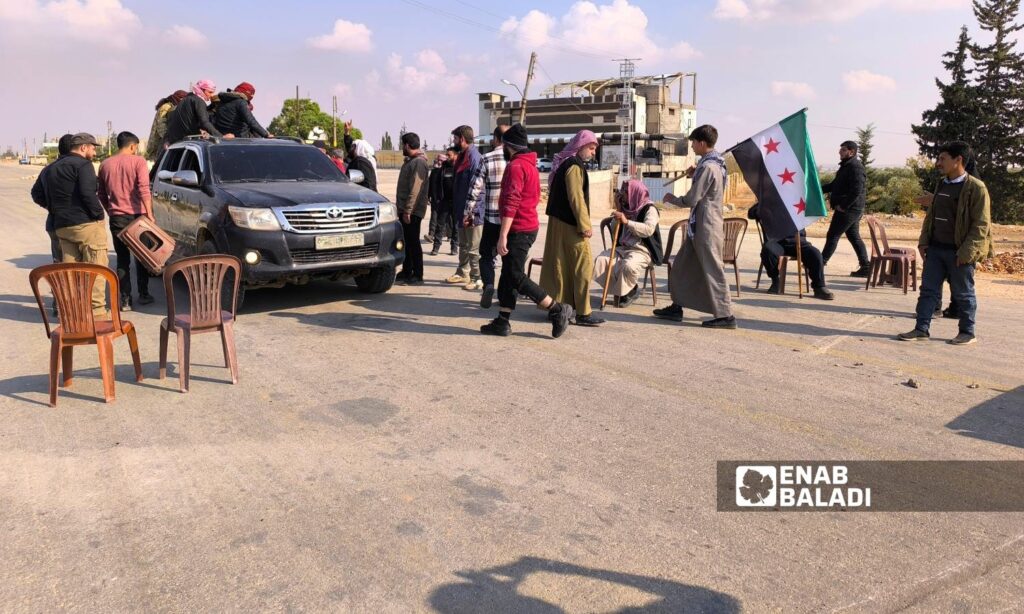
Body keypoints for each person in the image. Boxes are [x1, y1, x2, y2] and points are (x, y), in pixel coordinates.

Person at [480, 124, 575, 338]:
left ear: (509, 145)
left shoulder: (515, 167)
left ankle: (557, 309)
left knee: (515, 274)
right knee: (507, 274)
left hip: (519, 228)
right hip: (526, 226)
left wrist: (503, 234)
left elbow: (511, 202)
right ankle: (502, 321)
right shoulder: (529, 165)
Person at [898, 141, 992, 345]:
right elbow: (931, 216)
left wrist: (966, 252)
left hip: (959, 253)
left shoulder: (976, 188)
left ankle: (967, 332)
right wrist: (924, 242)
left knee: (963, 293)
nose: (938, 163)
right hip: (936, 249)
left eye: (943, 159)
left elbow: (981, 225)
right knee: (928, 291)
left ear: (958, 160)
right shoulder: (942, 184)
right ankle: (921, 328)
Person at [654, 125, 736, 328]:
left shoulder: (708, 167)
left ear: (701, 143)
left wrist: (672, 199)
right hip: (699, 226)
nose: (691, 146)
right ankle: (677, 306)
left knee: (713, 270)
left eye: (693, 142)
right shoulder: (714, 163)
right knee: (681, 267)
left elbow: (692, 199)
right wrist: (695, 173)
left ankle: (725, 315)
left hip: (706, 227)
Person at [540, 129, 604, 326]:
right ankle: (583, 313)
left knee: (559, 266)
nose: (593, 152)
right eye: (592, 148)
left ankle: (559, 307)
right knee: (583, 267)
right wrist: (585, 226)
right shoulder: (574, 166)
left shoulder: (565, 164)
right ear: (581, 146)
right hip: (570, 224)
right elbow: (576, 199)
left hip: (558, 223)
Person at [44, 133, 109, 318]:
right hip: (85, 225)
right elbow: (88, 194)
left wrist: (56, 208)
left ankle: (71, 314)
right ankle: (96, 315)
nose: (94, 151)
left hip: (62, 226)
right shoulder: (83, 165)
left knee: (69, 272)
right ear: (83, 148)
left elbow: (38, 193)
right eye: (92, 147)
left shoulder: (52, 168)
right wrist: (99, 215)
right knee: (96, 268)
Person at [98, 131, 154, 311]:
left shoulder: (105, 164)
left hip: (117, 218)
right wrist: (150, 214)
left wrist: (111, 210)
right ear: (132, 146)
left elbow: (101, 194)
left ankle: (125, 300)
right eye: (136, 148)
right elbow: (144, 189)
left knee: (122, 259)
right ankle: (144, 294)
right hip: (138, 216)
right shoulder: (139, 162)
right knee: (142, 257)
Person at [593, 179, 664, 307]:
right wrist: (618, 209)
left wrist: (627, 222)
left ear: (634, 192)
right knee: (601, 260)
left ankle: (629, 290)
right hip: (623, 247)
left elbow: (648, 229)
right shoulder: (626, 208)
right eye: (622, 191)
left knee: (628, 266)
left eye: (625, 191)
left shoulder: (650, 209)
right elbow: (615, 230)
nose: (622, 194)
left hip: (642, 249)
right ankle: (624, 291)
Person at [748, 204, 834, 300]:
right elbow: (751, 214)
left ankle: (819, 287)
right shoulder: (771, 203)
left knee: (815, 254)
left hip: (798, 241)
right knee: (768, 251)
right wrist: (766, 200)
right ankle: (776, 281)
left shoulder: (797, 201)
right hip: (777, 242)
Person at [30, 133, 73, 315]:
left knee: (59, 264)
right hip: (73, 224)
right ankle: (73, 306)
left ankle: (58, 304)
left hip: (54, 223)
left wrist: (49, 206)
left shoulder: (48, 169)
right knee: (75, 266)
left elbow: (35, 193)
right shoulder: (75, 167)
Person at [469, 125, 508, 305]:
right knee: (509, 258)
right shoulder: (516, 160)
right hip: (512, 219)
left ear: (495, 139)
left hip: (492, 217)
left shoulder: (487, 158)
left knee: (486, 255)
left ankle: (489, 285)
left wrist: (468, 211)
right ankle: (506, 294)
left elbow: (475, 188)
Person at [821, 141, 871, 277]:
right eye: (840, 149)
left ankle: (819, 264)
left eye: (843, 150)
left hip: (849, 209)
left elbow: (857, 190)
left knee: (833, 235)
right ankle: (866, 267)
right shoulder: (846, 166)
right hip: (851, 209)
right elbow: (834, 185)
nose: (840, 152)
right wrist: (816, 189)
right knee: (854, 236)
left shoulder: (855, 167)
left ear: (851, 152)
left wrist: (843, 206)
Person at [446, 125, 484, 289]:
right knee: (463, 244)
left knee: (474, 247)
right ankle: (463, 272)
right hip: (461, 210)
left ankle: (477, 278)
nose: (453, 141)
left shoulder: (475, 158)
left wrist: (471, 212)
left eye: (455, 138)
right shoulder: (463, 157)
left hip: (472, 212)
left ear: (462, 139)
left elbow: (477, 187)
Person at [395, 132, 430, 285]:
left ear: (407, 145)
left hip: (413, 210)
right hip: (406, 209)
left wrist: (408, 210)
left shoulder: (419, 163)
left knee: (413, 242)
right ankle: (407, 270)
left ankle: (417, 273)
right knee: (407, 242)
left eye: (403, 144)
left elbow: (415, 189)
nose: (402, 147)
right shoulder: (411, 161)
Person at [163, 80, 232, 147]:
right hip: (189, 143)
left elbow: (172, 120)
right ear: (202, 90)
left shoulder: (186, 99)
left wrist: (167, 139)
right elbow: (204, 122)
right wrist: (221, 137)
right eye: (210, 92)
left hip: (176, 143)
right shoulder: (198, 101)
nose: (211, 95)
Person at [427, 148, 458, 256]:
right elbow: (435, 183)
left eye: (449, 155)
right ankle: (436, 247)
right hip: (444, 202)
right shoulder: (442, 169)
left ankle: (454, 248)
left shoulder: (458, 169)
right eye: (446, 155)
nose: (447, 157)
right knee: (440, 225)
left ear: (455, 155)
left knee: (455, 226)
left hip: (456, 202)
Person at [146, 90, 187, 160]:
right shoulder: (166, 106)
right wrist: (168, 138)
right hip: (160, 141)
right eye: (182, 98)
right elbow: (161, 125)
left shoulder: (174, 106)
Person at [343, 122, 378, 193]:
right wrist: (347, 133)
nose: (352, 149)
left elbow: (367, 183)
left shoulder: (361, 163)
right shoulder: (363, 160)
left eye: (354, 147)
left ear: (359, 148)